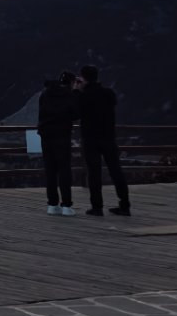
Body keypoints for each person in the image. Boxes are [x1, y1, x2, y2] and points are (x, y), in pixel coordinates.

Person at [75, 64, 130, 216]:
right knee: (116, 171)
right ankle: (124, 205)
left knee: (94, 172)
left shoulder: (83, 96)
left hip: (91, 139)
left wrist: (77, 91)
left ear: (83, 78)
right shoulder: (108, 93)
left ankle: (97, 207)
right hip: (109, 137)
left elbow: (75, 113)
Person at [37, 70, 78, 215]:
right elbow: (75, 114)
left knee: (50, 170)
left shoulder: (45, 93)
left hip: (46, 134)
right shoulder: (69, 95)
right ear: (72, 83)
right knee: (64, 170)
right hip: (62, 135)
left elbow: (41, 111)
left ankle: (52, 204)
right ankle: (66, 205)